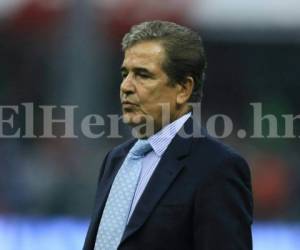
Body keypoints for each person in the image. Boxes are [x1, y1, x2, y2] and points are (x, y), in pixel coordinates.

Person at [83, 20, 253, 250]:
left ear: (183, 89)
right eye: (125, 73)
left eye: (142, 75)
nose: (126, 86)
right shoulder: (116, 160)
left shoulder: (217, 168)